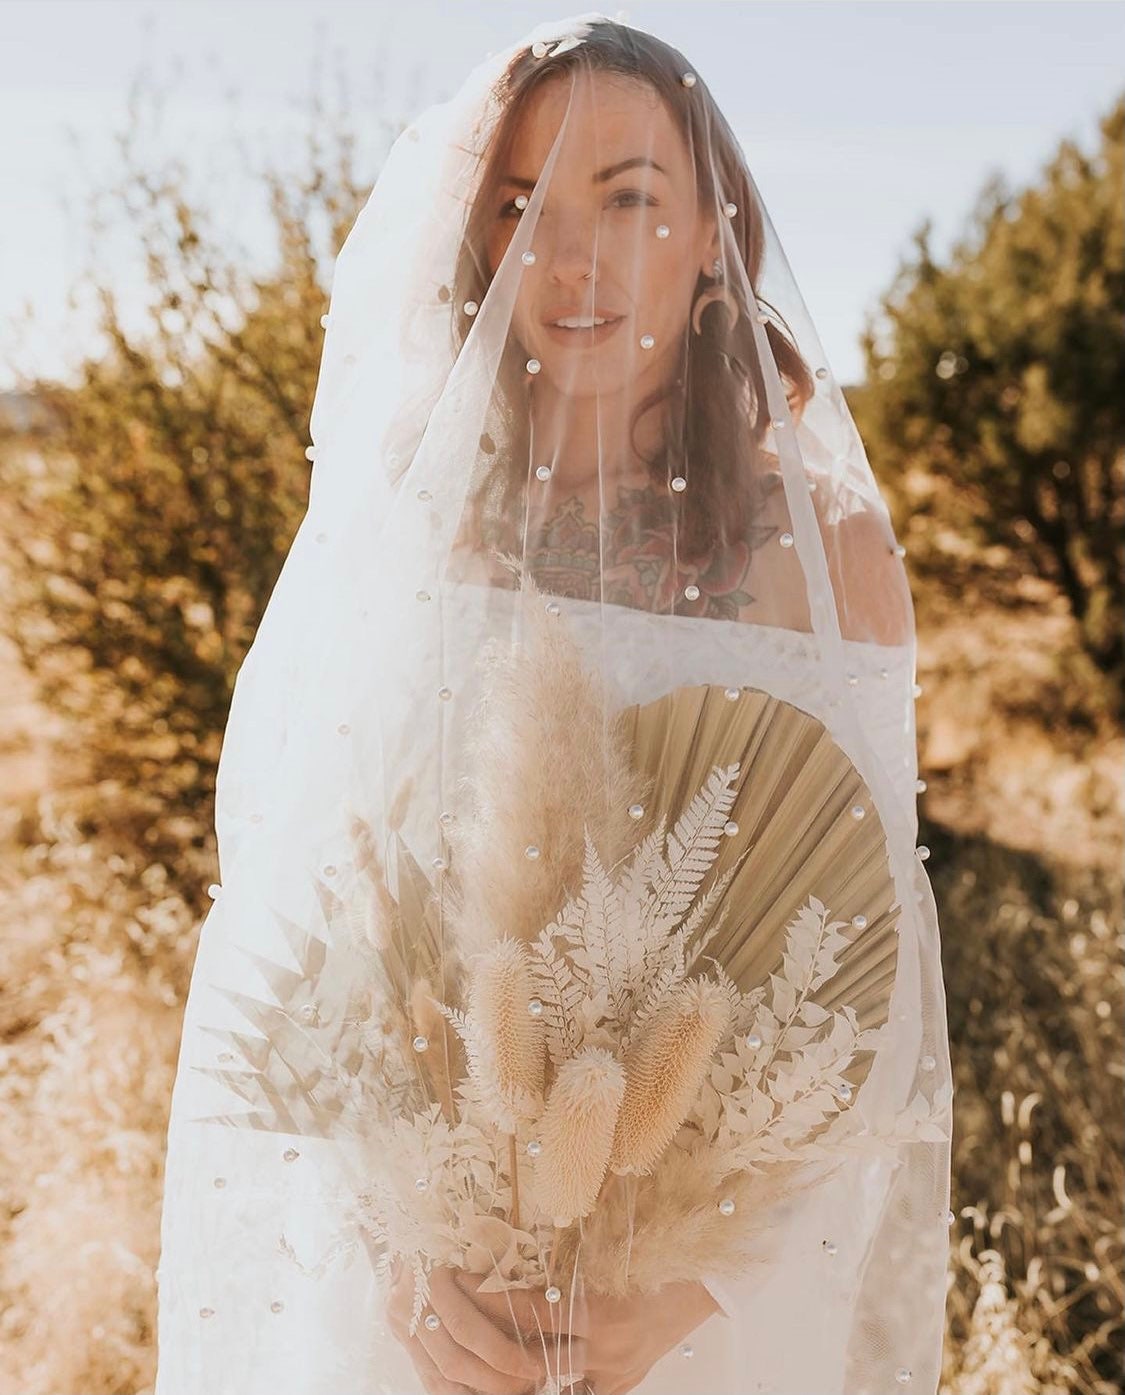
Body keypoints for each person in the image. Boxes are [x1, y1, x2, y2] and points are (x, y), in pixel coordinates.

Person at [154, 13, 954, 1395]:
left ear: (713, 233)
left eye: (629, 196)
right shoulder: (418, 517)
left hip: (707, 1308)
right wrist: (402, 1245)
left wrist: (694, 1286)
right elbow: (311, 910)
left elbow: (869, 967)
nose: (566, 259)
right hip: (425, 1294)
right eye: (520, 206)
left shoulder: (821, 560)